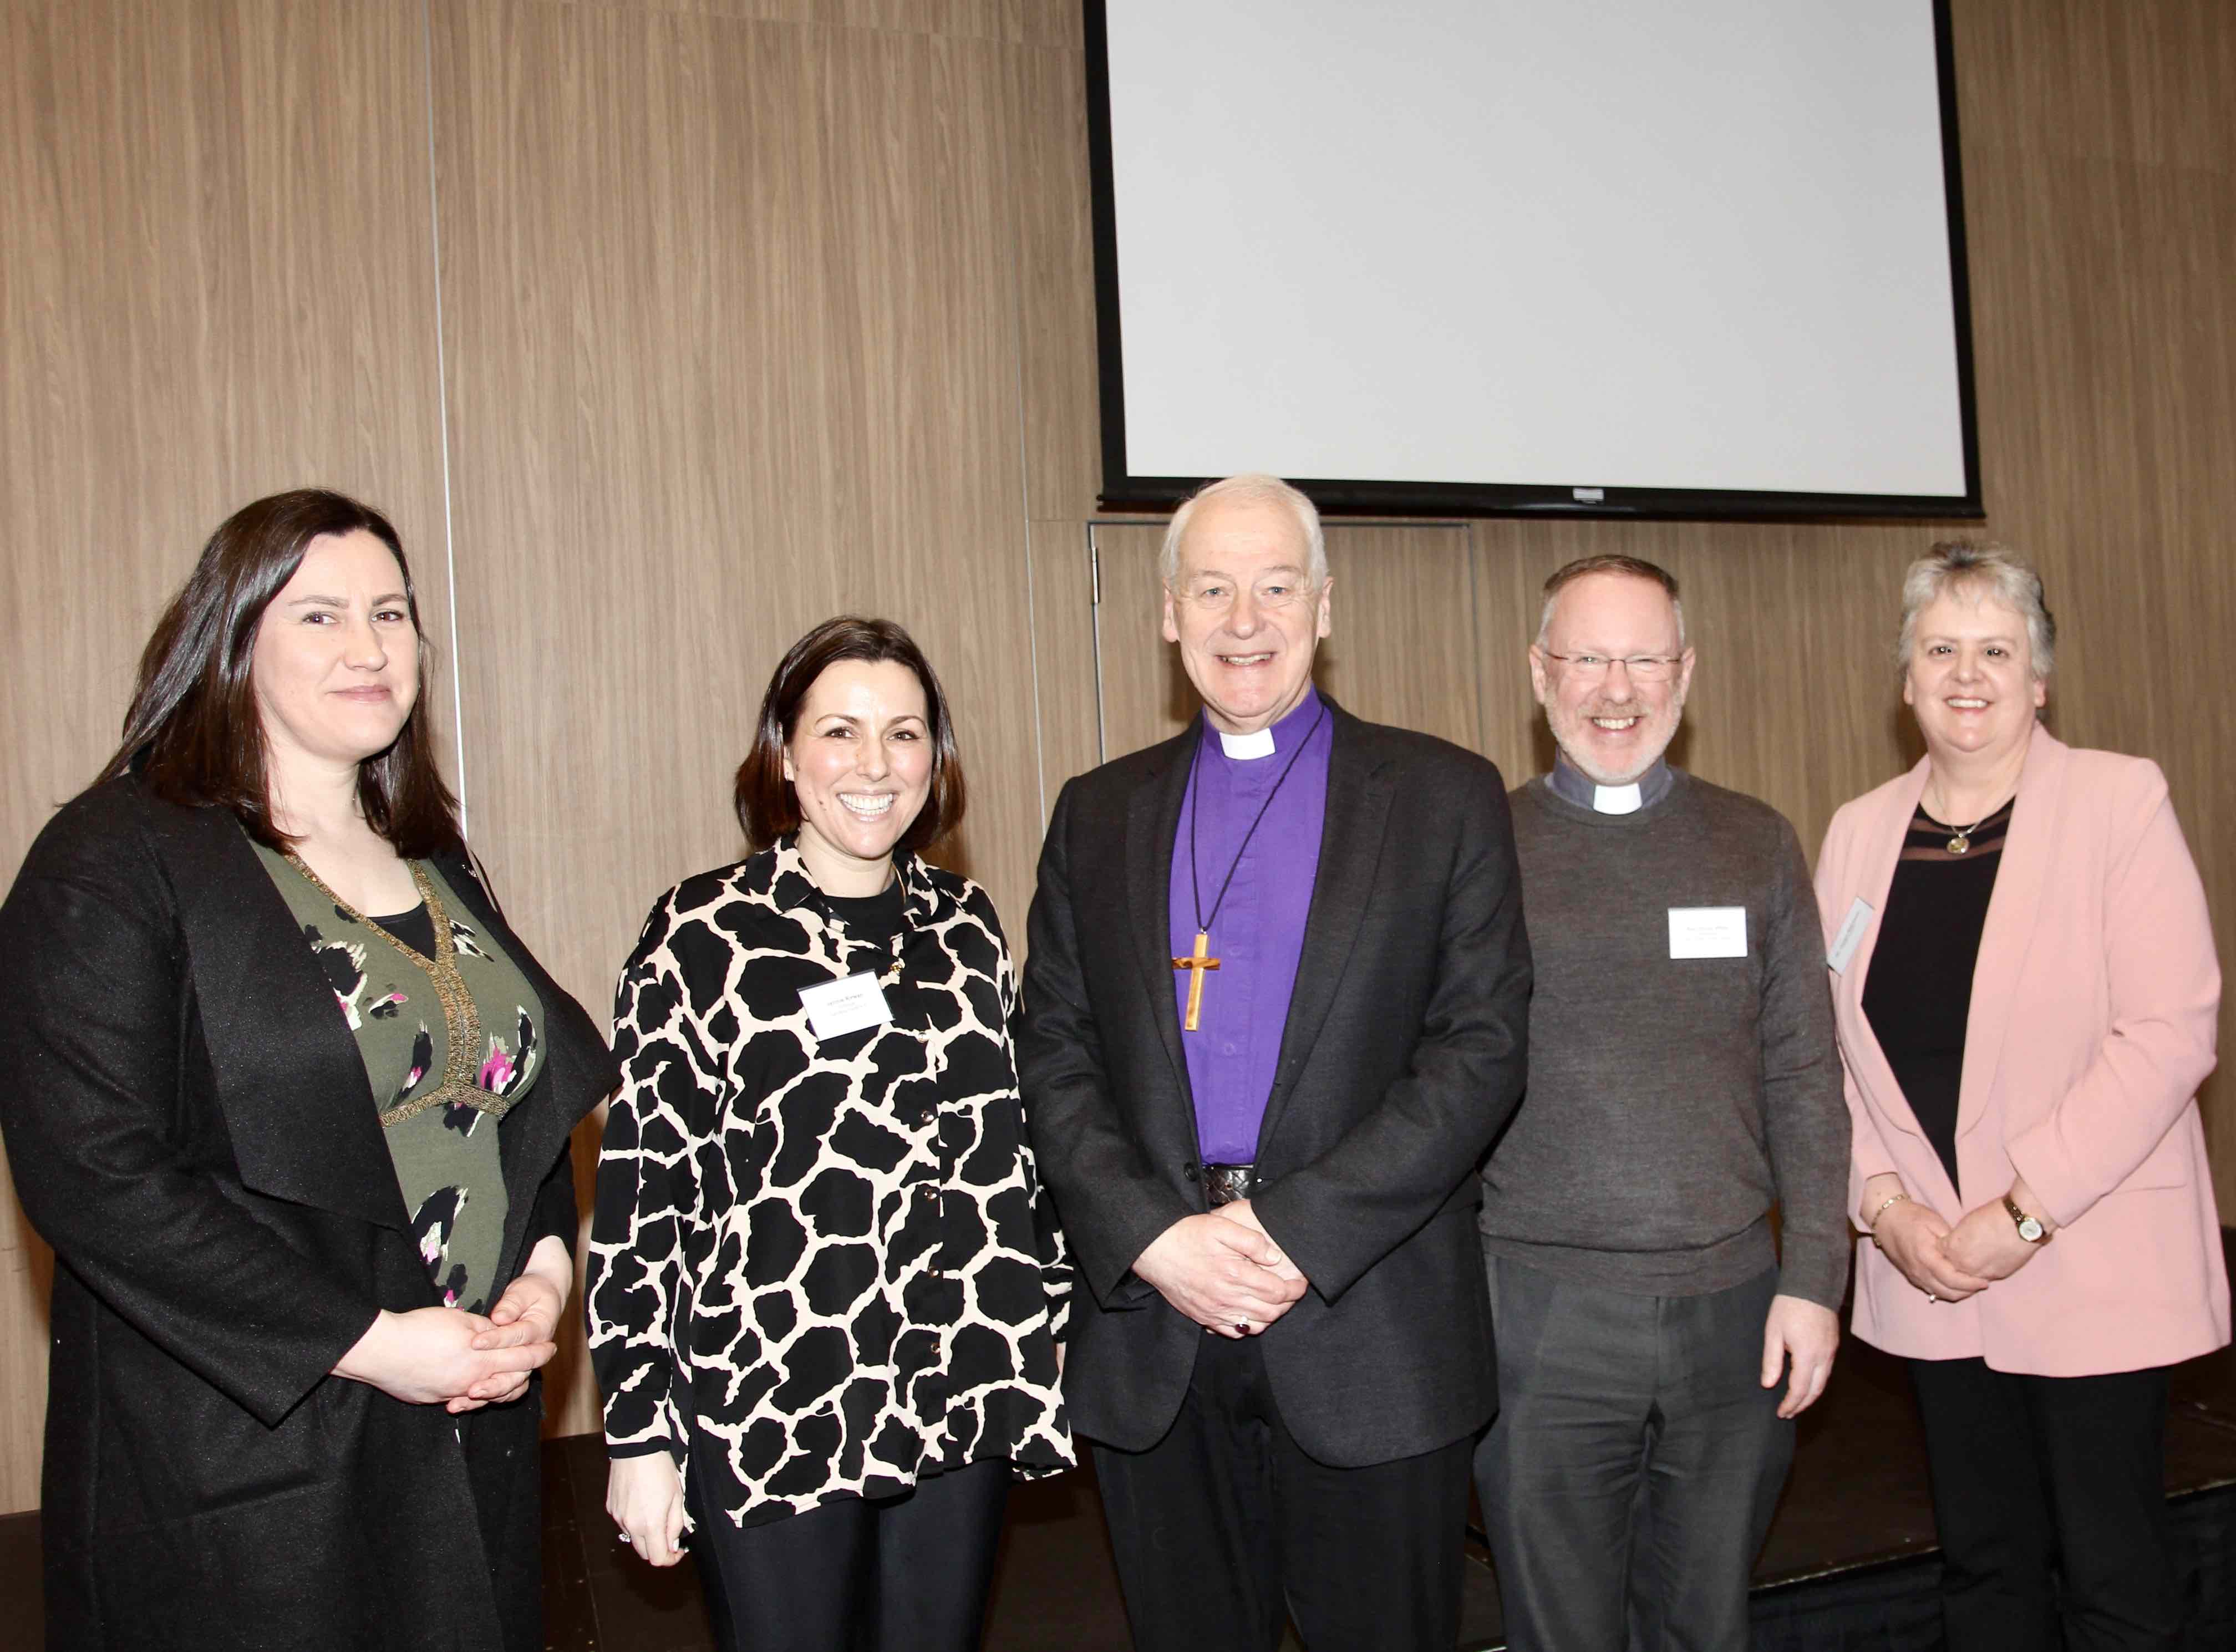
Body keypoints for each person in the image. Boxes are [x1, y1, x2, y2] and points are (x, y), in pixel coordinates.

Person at [0, 489, 617, 1652]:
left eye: (390, 613)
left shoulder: (433, 859)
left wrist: (543, 1273)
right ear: (232, 641)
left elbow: (507, 1102)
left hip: (465, 1424)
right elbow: (94, 1173)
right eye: (321, 616)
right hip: (250, 1456)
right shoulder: (116, 855)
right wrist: (373, 1339)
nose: (370, 646)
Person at [1018, 472, 1532, 1652]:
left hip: (1372, 1320)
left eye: (1275, 585)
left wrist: (1293, 1231)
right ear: (1167, 613)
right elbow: (1052, 1044)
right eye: (1213, 587)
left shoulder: (1444, 795)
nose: (1243, 618)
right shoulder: (1097, 813)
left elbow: (1482, 1046)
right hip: (1158, 1323)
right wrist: (1154, 1234)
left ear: (1325, 604)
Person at [587, 616, 1072, 1652]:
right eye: (840, 731)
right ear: (786, 754)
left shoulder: (968, 924)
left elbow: (1014, 1153)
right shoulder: (703, 930)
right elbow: (644, 1192)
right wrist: (638, 1431)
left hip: (961, 1377)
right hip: (777, 1394)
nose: (874, 764)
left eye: (903, 734)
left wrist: (1054, 1325)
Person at [1816, 543, 2225, 1650]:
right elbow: (1825, 1050)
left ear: (2039, 678)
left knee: (2114, 1572)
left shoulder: (2117, 800)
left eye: (1996, 649)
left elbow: (2169, 1028)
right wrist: (1883, 1204)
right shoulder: (1858, 830)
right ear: (1904, 679)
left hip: (2080, 1253)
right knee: (1983, 1573)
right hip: (1931, 1265)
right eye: (1940, 647)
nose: (1966, 672)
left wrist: (2026, 1209)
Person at [1472, 554, 1849, 1650]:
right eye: (1588, 657)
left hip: (1737, 1313)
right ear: (1539, 674)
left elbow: (1803, 1072)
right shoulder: (1478, 847)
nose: (1616, 688)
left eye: (1643, 657)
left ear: (1686, 675)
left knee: (1705, 1628)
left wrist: (1816, 1276)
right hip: (1538, 1319)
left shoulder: (1756, 841)